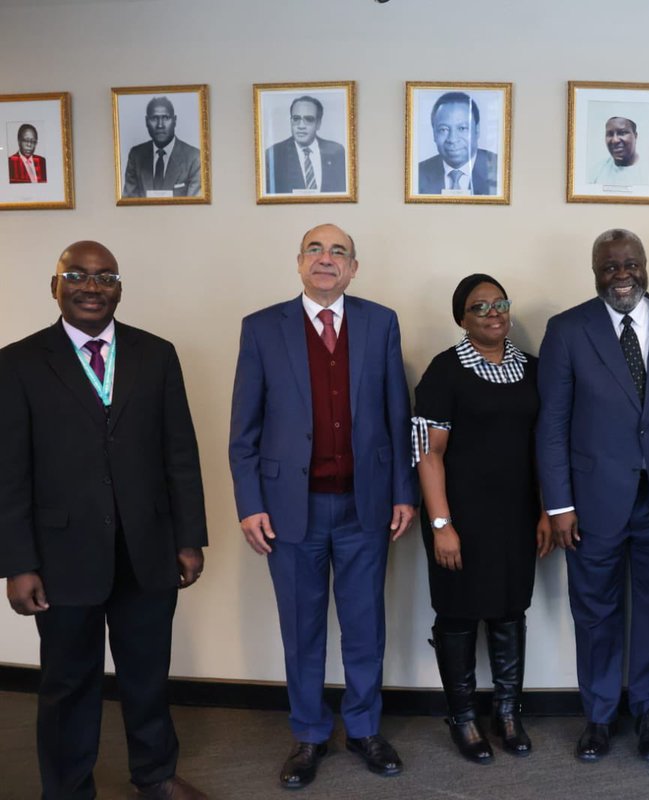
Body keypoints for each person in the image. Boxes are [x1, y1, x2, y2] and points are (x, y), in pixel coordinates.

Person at [0, 241, 208, 799]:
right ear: (56, 286)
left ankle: (156, 775)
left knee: (147, 676)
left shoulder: (156, 354)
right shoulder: (17, 362)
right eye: (77, 275)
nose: (92, 286)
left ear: (118, 288)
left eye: (105, 277)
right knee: (68, 683)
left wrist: (190, 539)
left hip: (149, 549)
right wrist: (16, 563)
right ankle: (67, 789)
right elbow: (9, 472)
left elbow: (180, 453)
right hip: (61, 554)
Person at [228, 224, 416, 789]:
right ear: (299, 262)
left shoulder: (380, 322)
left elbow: (396, 415)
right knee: (301, 628)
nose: (326, 259)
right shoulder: (262, 329)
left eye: (339, 252)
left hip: (365, 507)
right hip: (290, 511)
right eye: (316, 249)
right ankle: (309, 734)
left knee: (364, 627)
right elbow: (245, 430)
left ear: (354, 268)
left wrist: (403, 492)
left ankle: (362, 728)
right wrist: (250, 504)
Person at [537, 229, 649, 762]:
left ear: (645, 265)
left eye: (630, 264)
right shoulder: (567, 329)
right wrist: (558, 505)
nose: (621, 274)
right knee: (595, 612)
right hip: (591, 503)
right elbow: (552, 425)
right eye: (609, 267)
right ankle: (600, 716)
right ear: (595, 271)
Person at [413, 274, 554, 763]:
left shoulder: (535, 370)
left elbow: (544, 448)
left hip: (516, 518)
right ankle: (464, 718)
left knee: (510, 610)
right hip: (459, 520)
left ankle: (508, 713)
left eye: (500, 303)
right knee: (456, 615)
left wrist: (543, 512)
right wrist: (440, 526)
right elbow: (428, 454)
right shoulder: (444, 371)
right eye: (480, 306)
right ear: (461, 318)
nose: (494, 312)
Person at [416, 92, 498, 195]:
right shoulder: (417, 174)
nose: (452, 139)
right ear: (434, 134)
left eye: (462, 128)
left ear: (477, 131)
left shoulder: (499, 169)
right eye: (443, 130)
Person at [264, 96, 347, 194]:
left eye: (308, 119)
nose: (301, 126)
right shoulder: (274, 155)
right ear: (291, 122)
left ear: (318, 123)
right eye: (296, 119)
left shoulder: (337, 152)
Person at [122, 97, 202, 198]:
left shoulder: (194, 157)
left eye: (166, 118)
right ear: (147, 121)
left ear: (175, 120)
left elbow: (195, 208)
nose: (160, 125)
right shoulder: (136, 155)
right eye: (154, 118)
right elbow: (129, 204)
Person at [588, 116, 649, 185]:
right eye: (610, 134)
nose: (615, 140)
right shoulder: (597, 171)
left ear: (635, 136)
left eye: (622, 133)